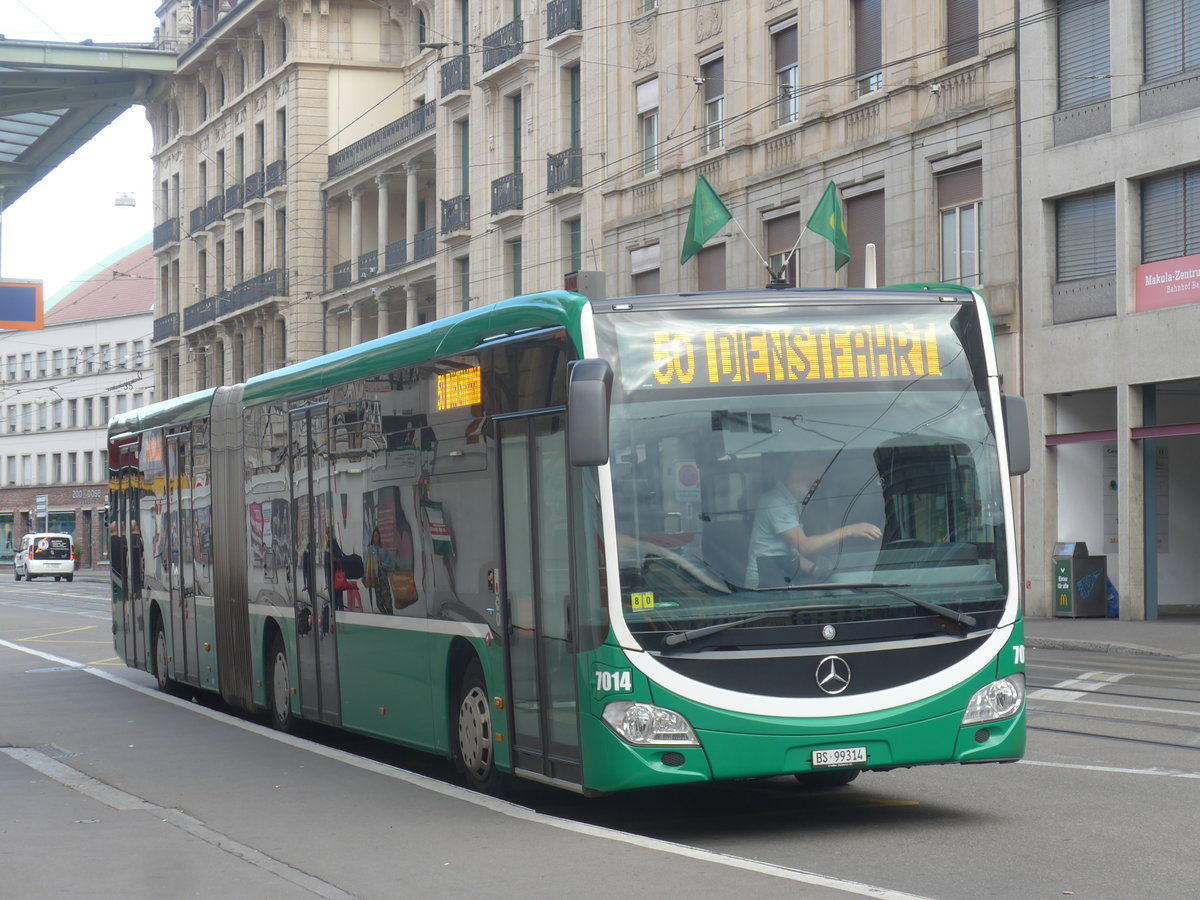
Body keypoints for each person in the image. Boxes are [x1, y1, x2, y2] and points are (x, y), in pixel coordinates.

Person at [746, 454, 881, 588]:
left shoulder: (792, 502)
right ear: (801, 474)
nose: (820, 486)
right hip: (765, 583)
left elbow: (787, 555)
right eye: (817, 480)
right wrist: (849, 530)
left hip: (781, 574)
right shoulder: (776, 503)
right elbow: (804, 546)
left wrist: (816, 570)